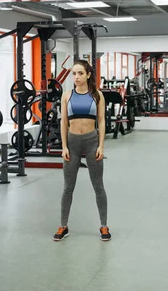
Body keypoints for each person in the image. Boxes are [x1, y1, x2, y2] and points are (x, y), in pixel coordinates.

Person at [53, 60, 110, 242]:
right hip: (72, 143)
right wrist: (64, 146)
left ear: (88, 75)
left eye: (79, 73)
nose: (76, 77)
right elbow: (63, 122)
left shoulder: (97, 95)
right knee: (68, 187)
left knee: (98, 186)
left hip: (92, 142)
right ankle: (63, 225)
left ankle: (104, 225)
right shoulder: (67, 95)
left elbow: (101, 121)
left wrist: (101, 145)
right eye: (73, 74)